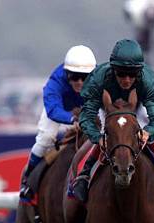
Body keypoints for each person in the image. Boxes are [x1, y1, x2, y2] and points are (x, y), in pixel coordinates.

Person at [72, 38, 154, 203]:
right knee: (107, 133)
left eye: (132, 75)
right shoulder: (99, 79)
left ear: (139, 72)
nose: (126, 80)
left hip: (136, 106)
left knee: (146, 129)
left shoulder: (146, 80)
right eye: (121, 74)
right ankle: (85, 174)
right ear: (113, 70)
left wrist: (148, 132)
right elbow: (86, 118)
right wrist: (98, 137)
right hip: (107, 107)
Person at [20, 45, 97, 200]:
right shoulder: (55, 81)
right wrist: (71, 118)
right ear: (66, 73)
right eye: (74, 77)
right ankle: (27, 180)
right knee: (45, 139)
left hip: (85, 110)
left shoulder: (100, 78)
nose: (80, 82)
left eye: (84, 77)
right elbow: (52, 109)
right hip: (61, 111)